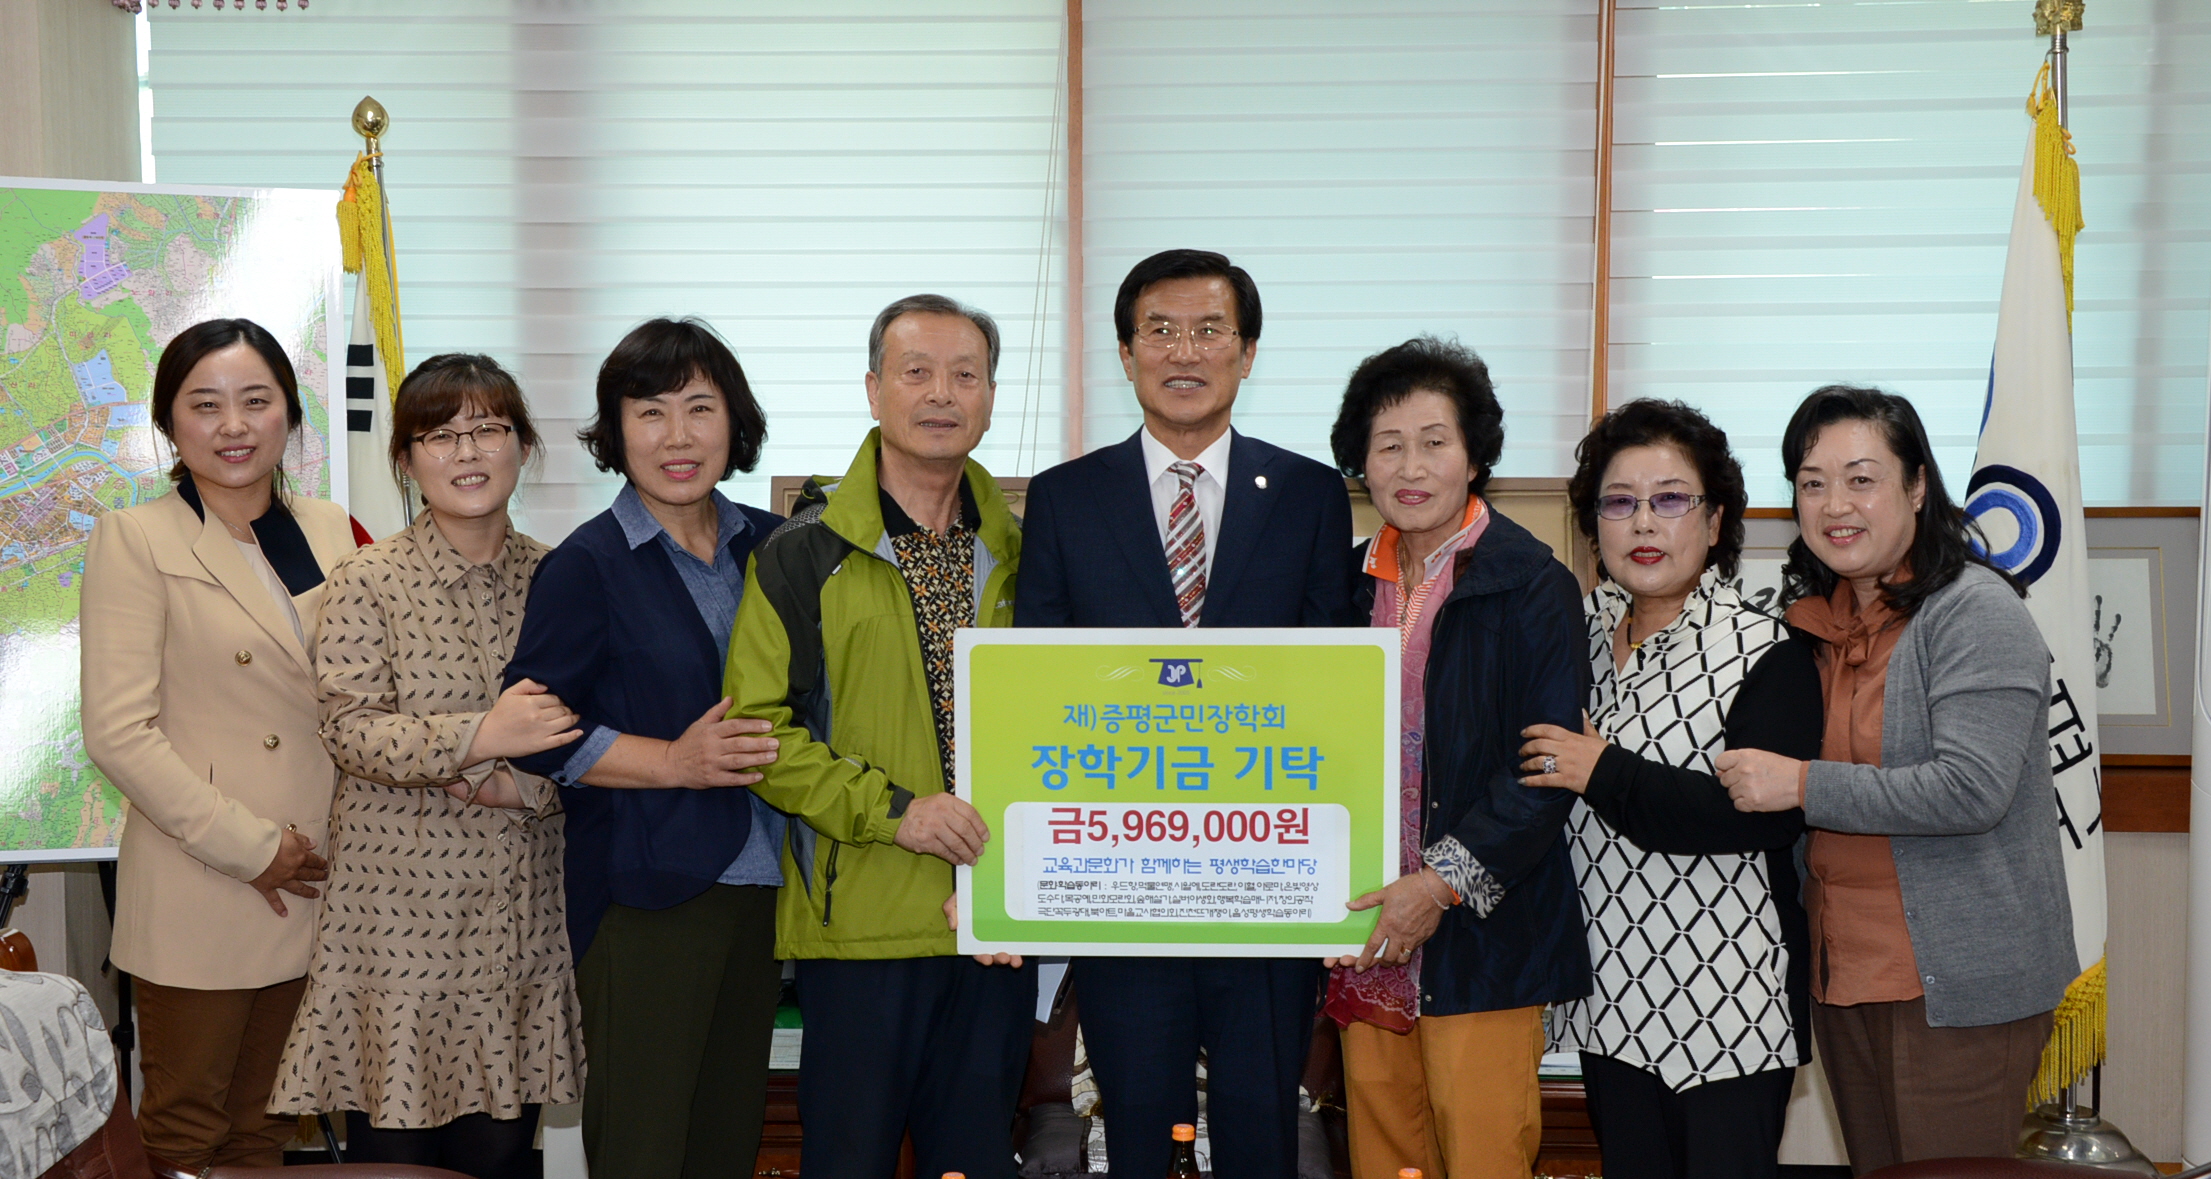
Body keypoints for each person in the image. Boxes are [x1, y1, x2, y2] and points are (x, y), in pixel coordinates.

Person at [1015, 250, 1353, 1179]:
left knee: (1260, 1141)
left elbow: (1332, 694)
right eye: (1159, 330)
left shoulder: (1310, 495)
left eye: (1209, 330)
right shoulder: (1063, 498)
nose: (1184, 350)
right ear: (1125, 354)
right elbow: (1039, 694)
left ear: (1246, 353)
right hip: (1126, 887)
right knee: (1135, 1137)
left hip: (1266, 886)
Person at [1715, 385, 2075, 1174]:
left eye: (1860, 477)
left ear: (1916, 486)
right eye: (1811, 482)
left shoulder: (1973, 610)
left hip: (1954, 981)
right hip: (1841, 971)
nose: (1834, 503)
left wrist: (1800, 784)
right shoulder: (1816, 621)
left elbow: (1968, 789)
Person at [727, 294, 1032, 1179]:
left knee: (976, 1160)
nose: (942, 393)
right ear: (872, 389)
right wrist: (897, 813)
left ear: (989, 395)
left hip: (996, 923)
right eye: (916, 372)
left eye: (965, 374)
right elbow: (760, 732)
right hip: (861, 922)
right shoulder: (801, 553)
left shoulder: (1027, 552)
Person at [270, 354, 584, 1178]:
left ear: (523, 446)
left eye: (488, 428)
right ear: (406, 460)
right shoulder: (366, 579)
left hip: (519, 916)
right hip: (395, 928)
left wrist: (524, 781)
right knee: (397, 1155)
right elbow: (351, 729)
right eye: (439, 435)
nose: (467, 450)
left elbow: (593, 725)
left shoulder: (564, 576)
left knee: (502, 1153)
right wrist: (484, 732)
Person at [502, 317, 785, 1179]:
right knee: (644, 1150)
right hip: (645, 897)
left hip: (766, 889)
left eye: (699, 408)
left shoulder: (774, 548)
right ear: (614, 430)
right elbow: (533, 728)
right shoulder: (587, 564)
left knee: (727, 1143)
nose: (677, 435)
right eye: (649, 411)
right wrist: (673, 761)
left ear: (734, 422)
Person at [1518, 399, 1823, 1179]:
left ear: (1715, 521)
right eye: (1618, 502)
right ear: (1593, 525)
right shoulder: (1574, 633)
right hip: (1606, 996)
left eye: (1669, 499)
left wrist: (1601, 769)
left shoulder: (1768, 649)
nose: (1642, 523)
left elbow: (1753, 819)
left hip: (1727, 1004)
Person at [79, 317, 355, 1169]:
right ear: (169, 423)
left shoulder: (331, 528)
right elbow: (119, 732)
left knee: (270, 1129)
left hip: (314, 878)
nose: (233, 426)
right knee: (189, 1136)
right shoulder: (136, 538)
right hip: (206, 877)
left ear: (288, 415)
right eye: (206, 405)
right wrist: (252, 846)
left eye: (255, 401)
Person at [1318, 337, 1589, 1179]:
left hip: (1480, 932)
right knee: (1383, 1156)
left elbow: (1546, 768)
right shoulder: (1340, 583)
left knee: (1481, 1157)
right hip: (1363, 922)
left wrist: (1436, 886)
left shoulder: (1531, 583)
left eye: (1434, 440)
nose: (1411, 464)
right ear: (1358, 460)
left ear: (1474, 453)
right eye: (1387, 442)